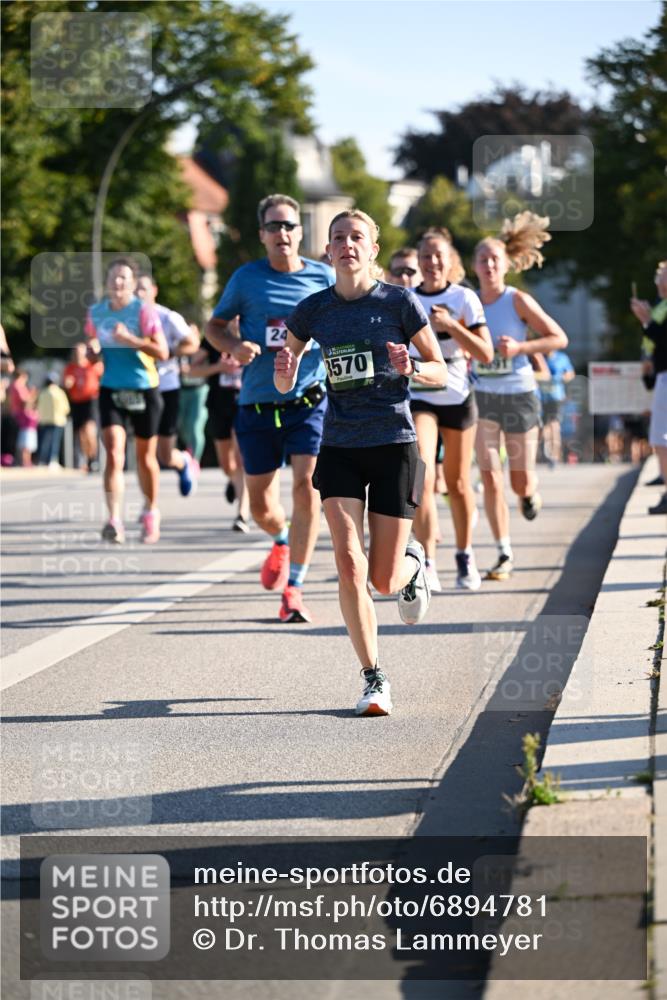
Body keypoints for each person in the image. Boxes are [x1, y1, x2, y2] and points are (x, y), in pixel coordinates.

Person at [275, 208, 447, 716]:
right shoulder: (312, 311)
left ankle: (410, 562)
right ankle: (374, 676)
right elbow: (286, 380)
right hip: (340, 444)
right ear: (327, 251)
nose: (347, 244)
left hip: (393, 442)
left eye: (356, 237)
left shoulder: (400, 302)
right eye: (337, 238)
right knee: (349, 563)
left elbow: (440, 370)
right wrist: (285, 372)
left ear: (373, 249)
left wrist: (411, 366)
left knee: (383, 581)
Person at [205, 193, 334, 623]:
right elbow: (214, 326)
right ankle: (280, 537)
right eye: (274, 226)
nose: (283, 233)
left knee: (306, 488)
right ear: (262, 235)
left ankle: (294, 587)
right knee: (260, 504)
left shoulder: (323, 277)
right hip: (258, 403)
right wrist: (233, 346)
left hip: (309, 401)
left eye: (289, 226)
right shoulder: (246, 279)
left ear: (301, 233)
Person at [473, 212, 568, 580]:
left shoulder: (517, 301)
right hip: (482, 395)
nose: (489, 265)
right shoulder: (469, 301)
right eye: (483, 259)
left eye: (495, 259)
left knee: (518, 480)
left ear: (506, 264)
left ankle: (529, 494)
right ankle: (503, 553)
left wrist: (521, 348)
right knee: (490, 476)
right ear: (475, 266)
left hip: (519, 394)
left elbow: (558, 338)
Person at [409, 228, 494, 592]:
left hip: (457, 396)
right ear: (418, 261)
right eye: (425, 256)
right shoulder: (406, 299)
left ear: (450, 260)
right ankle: (427, 560)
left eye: (438, 255)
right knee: (422, 476)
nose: (432, 262)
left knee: (458, 485)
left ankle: (464, 553)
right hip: (419, 394)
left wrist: (450, 327)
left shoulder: (464, 298)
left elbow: (486, 353)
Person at [85, 258, 168, 544]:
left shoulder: (143, 312)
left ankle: (150, 511)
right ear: (106, 283)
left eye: (124, 279)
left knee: (145, 458)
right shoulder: (96, 313)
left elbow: (163, 352)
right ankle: (114, 519)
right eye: (114, 278)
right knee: (114, 454)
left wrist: (131, 340)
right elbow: (92, 349)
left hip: (144, 388)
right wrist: (92, 351)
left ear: (132, 284)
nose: (118, 283)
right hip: (111, 389)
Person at [135, 274, 200, 499]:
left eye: (143, 289)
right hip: (139, 388)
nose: (138, 294)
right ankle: (149, 504)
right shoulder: (129, 319)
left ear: (154, 289)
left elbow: (193, 343)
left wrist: (169, 352)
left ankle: (183, 462)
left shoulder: (168, 317)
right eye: (135, 290)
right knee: (144, 452)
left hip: (167, 387)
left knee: (164, 454)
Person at [187, 330, 250, 532]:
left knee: (241, 458)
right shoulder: (215, 338)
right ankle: (233, 481)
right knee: (226, 463)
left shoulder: (252, 332)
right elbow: (189, 370)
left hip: (245, 404)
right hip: (218, 405)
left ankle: (242, 513)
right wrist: (218, 367)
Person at [631, 260, 667, 513]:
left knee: (661, 439)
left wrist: (646, 322)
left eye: (663, 276)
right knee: (660, 439)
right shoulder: (661, 307)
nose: (660, 280)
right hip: (662, 375)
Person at [62, 342, 103, 471]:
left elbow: (103, 377)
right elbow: (65, 384)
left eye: (80, 351)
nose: (78, 354)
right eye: (75, 351)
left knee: (89, 430)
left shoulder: (93, 365)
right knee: (81, 434)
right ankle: (87, 459)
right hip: (76, 402)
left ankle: (94, 459)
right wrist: (67, 384)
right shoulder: (70, 367)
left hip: (90, 401)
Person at [177, 324, 209, 467]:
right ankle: (188, 450)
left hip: (199, 390)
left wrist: (193, 369)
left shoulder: (203, 350)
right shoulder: (179, 350)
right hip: (183, 391)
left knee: (195, 425)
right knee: (183, 426)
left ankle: (195, 460)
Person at [539, 348, 575, 466]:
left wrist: (559, 378)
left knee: (555, 424)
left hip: (556, 396)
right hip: (541, 396)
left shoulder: (562, 357)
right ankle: (546, 450)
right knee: (544, 426)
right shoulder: (538, 356)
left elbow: (570, 374)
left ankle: (554, 454)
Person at [36, 373, 70, 466]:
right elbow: (66, 408)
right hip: (57, 420)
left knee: (44, 441)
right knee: (54, 441)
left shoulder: (42, 393)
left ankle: (42, 460)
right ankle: (52, 460)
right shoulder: (59, 392)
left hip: (44, 420)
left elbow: (39, 406)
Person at [8, 368, 38, 467]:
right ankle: (23, 461)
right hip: (21, 417)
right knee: (24, 440)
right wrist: (33, 395)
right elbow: (24, 402)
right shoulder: (18, 386)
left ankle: (21, 461)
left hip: (17, 415)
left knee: (20, 439)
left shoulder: (14, 385)